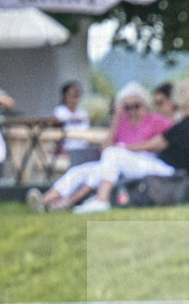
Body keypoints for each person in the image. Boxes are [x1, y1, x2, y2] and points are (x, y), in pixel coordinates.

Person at [71, 78, 189, 215]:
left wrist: (123, 148)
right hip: (175, 169)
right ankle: (86, 199)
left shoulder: (184, 126)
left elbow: (154, 144)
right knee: (105, 160)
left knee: (113, 153)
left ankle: (101, 200)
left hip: (168, 170)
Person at [26, 82, 171, 212]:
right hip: (116, 165)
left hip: (144, 162)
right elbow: (105, 149)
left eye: (136, 106)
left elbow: (170, 139)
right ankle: (45, 200)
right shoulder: (122, 122)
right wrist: (116, 119)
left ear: (144, 104)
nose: (132, 110)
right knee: (79, 171)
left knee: (112, 155)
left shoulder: (155, 120)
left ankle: (83, 201)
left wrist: (125, 148)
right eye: (128, 107)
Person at [53, 81, 91, 153]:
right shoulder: (59, 111)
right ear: (64, 96)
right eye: (72, 95)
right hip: (66, 149)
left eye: (76, 95)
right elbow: (56, 134)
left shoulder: (84, 113)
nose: (74, 99)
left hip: (82, 149)